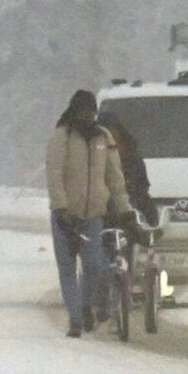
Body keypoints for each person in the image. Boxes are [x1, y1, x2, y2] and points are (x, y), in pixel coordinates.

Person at [46, 90, 130, 338]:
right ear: (74, 110)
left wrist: (123, 208)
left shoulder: (103, 138)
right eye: (83, 111)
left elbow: (115, 177)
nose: (88, 116)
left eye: (91, 111)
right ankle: (75, 320)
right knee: (67, 268)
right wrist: (60, 207)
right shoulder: (62, 136)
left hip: (93, 216)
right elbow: (54, 174)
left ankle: (84, 304)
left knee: (95, 265)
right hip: (65, 215)